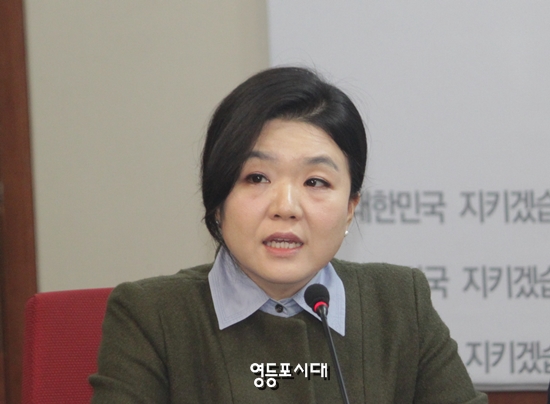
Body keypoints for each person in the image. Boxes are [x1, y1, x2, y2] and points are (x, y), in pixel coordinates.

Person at [90, 67, 487, 403]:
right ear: (217, 200)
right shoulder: (151, 316)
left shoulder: (401, 304)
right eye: (257, 177)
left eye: (316, 181)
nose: (286, 206)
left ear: (351, 207)